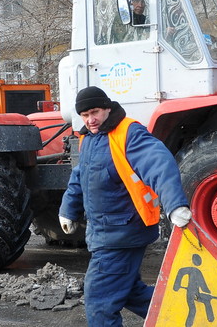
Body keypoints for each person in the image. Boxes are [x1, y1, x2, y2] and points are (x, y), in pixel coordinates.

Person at [59, 86, 192, 326]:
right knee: (130, 292)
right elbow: (81, 175)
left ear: (107, 108)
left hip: (121, 233)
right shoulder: (88, 139)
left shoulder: (128, 132)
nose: (91, 119)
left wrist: (175, 205)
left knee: (99, 300)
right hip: (105, 232)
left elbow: (159, 163)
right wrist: (68, 209)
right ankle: (188, 317)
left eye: (95, 112)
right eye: (85, 115)